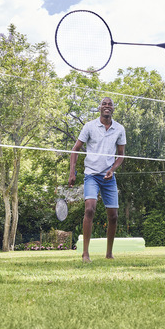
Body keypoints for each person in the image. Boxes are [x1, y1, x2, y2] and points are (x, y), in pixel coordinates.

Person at [69, 97, 126, 262]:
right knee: (89, 209)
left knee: (113, 216)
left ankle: (109, 253)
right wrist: (72, 172)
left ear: (113, 109)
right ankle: (85, 253)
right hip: (91, 175)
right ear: (100, 108)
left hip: (109, 177)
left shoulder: (119, 129)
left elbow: (121, 155)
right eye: (104, 104)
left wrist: (112, 169)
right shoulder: (90, 126)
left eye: (110, 104)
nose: (107, 106)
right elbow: (75, 150)